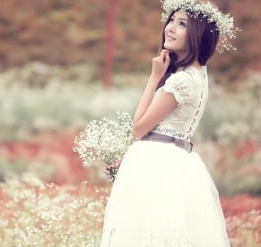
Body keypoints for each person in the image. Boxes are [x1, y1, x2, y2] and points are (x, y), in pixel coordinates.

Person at [99, 0, 238, 246]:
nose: (170, 28)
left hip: (157, 161)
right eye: (171, 20)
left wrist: (154, 77)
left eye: (182, 23)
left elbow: (139, 128)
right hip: (176, 158)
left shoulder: (182, 81)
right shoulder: (199, 74)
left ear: (197, 34)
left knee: (146, 231)